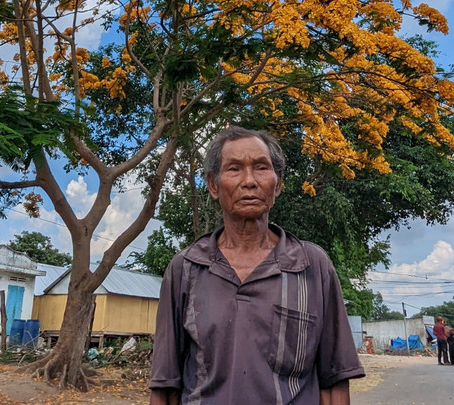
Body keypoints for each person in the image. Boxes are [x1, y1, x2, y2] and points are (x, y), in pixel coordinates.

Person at [149, 127, 366, 405]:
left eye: (261, 168)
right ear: (213, 185)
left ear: (277, 184)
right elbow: (165, 385)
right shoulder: (186, 268)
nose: (249, 181)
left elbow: (334, 381)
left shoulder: (312, 266)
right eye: (235, 169)